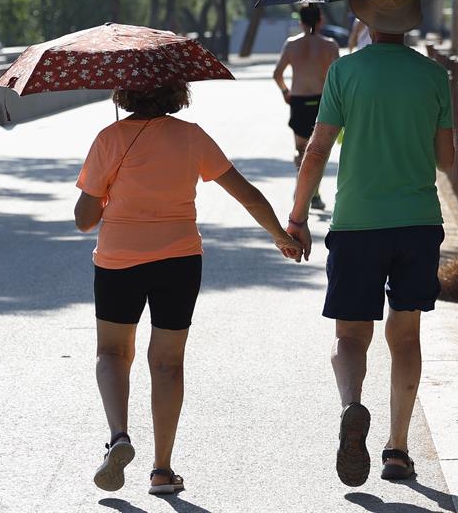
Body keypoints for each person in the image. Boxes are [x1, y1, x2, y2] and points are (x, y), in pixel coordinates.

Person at [74, 85, 302, 495]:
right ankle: (162, 470)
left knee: (111, 352)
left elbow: (84, 219)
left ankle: (119, 436)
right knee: (167, 363)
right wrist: (280, 236)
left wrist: (110, 191)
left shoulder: (109, 139)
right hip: (178, 260)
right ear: (175, 91)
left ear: (124, 92)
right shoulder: (191, 136)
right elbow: (245, 194)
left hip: (118, 259)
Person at [286, 0, 455, 487]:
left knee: (350, 336)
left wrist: (297, 217)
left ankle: (352, 406)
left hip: (358, 223)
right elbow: (447, 160)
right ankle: (398, 450)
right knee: (405, 337)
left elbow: (316, 150)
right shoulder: (433, 76)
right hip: (418, 222)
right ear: (411, 22)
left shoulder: (345, 72)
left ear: (365, 20)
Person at [273, 4, 339, 211]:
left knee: (301, 150)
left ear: (300, 21)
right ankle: (314, 193)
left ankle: (302, 187)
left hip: (299, 101)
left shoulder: (291, 45)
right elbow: (338, 77)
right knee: (319, 150)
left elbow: (277, 73)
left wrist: (285, 92)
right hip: (322, 102)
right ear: (320, 20)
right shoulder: (330, 45)